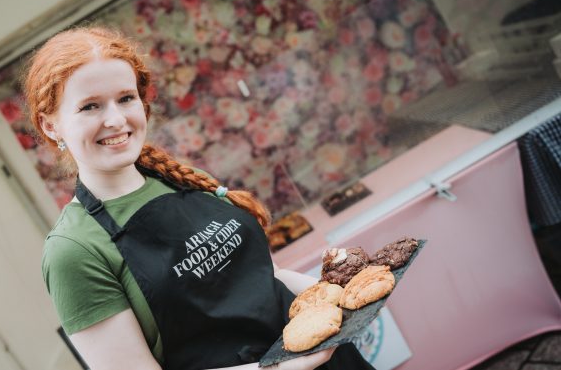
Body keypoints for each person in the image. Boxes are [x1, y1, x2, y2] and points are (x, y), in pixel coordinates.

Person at [25, 26, 375, 370]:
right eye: (90, 107)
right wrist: (280, 369)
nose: (115, 120)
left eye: (125, 98)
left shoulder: (185, 180)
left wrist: (351, 298)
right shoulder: (73, 251)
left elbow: (270, 279)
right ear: (50, 125)